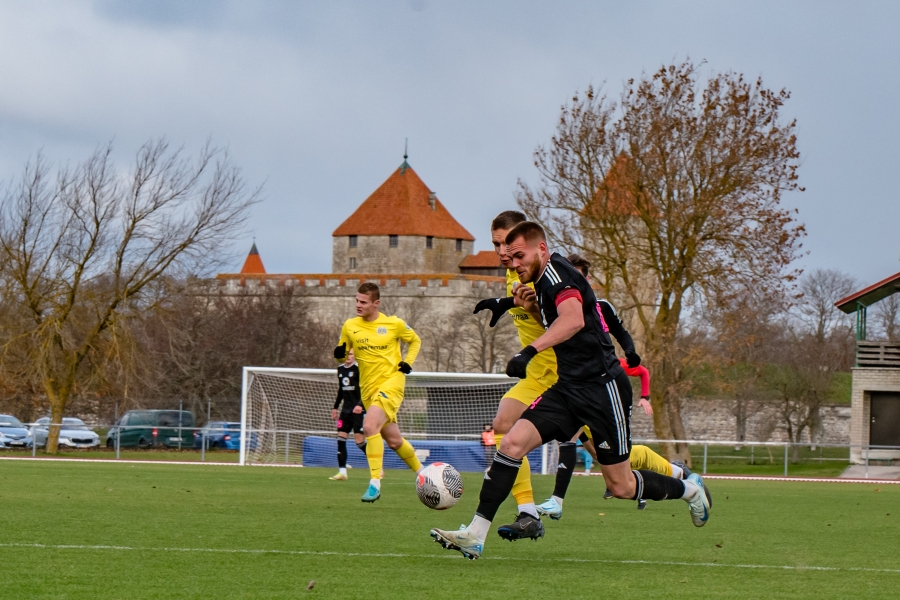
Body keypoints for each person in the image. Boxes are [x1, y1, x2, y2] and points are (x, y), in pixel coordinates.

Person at [430, 222, 710, 560]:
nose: (514, 262)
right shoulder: (539, 280)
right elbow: (553, 317)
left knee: (621, 486)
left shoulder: (557, 276)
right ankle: (475, 535)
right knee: (513, 442)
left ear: (541, 249)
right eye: (509, 255)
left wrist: (529, 351)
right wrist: (516, 305)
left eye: (519, 255)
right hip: (567, 388)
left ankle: (690, 490)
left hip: (602, 391)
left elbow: (574, 319)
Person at [536, 253, 701, 518]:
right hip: (573, 388)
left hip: (604, 388)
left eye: (577, 277)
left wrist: (631, 352)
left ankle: (677, 475)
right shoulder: (556, 307)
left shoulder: (601, 307)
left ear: (586, 279)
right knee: (595, 454)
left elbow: (622, 334)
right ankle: (676, 473)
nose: (570, 283)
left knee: (607, 461)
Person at [470, 210, 560, 541]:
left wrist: (534, 307)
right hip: (537, 377)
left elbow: (564, 320)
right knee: (503, 423)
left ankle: (679, 478)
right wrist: (506, 302)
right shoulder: (513, 276)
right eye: (496, 245)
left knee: (616, 474)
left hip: (569, 378)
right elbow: (517, 301)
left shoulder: (544, 275)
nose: (501, 252)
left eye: (507, 244)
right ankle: (529, 513)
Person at [334, 282, 423, 502]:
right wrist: (338, 354)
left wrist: (407, 363)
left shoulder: (393, 324)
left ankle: (375, 482)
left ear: (376, 303)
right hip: (368, 389)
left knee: (369, 426)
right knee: (394, 441)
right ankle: (424, 474)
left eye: (363, 302)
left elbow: (415, 341)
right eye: (356, 300)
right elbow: (341, 355)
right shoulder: (350, 326)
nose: (358, 305)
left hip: (392, 383)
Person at [329, 349, 366, 481]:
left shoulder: (359, 369)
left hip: (358, 411)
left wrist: (360, 405)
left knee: (360, 442)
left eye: (350, 354)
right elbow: (341, 390)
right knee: (340, 440)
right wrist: (335, 407)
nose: (348, 357)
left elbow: (366, 389)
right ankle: (342, 472)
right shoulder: (340, 370)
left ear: (355, 355)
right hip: (345, 412)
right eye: (346, 355)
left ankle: (377, 466)